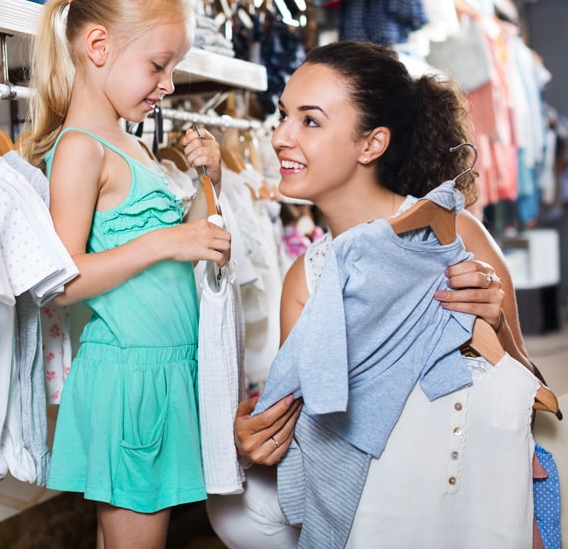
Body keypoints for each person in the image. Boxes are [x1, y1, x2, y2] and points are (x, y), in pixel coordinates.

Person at [207, 41, 542, 547]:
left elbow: (532, 391)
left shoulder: (452, 235)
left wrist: (494, 329)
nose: (279, 137)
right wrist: (259, 434)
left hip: (459, 483)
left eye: (310, 121)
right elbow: (304, 426)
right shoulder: (307, 275)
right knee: (230, 499)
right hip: (373, 486)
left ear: (372, 144)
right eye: (283, 116)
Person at [21, 0, 232, 548]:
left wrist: (207, 182)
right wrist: (168, 240)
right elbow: (61, 282)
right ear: (97, 46)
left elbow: (189, 245)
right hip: (131, 377)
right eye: (158, 65)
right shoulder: (81, 149)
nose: (167, 84)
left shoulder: (131, 145)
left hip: (165, 369)